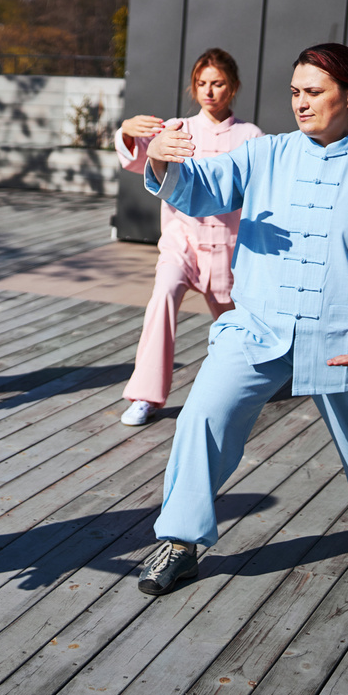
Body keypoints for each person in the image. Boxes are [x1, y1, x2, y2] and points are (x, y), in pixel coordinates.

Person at [135, 42, 348, 597]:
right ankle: (179, 542)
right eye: (295, 92)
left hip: (344, 332)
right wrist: (159, 157)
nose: (300, 103)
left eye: (314, 92)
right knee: (202, 417)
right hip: (256, 327)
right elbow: (200, 190)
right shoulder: (264, 153)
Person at [116, 49, 264, 427]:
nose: (209, 92)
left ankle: (245, 387)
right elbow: (140, 161)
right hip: (182, 243)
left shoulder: (251, 136)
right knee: (163, 294)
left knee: (236, 329)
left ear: (232, 88)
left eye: (217, 84)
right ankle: (145, 396)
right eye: (201, 84)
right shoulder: (177, 127)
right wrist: (127, 131)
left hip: (230, 251)